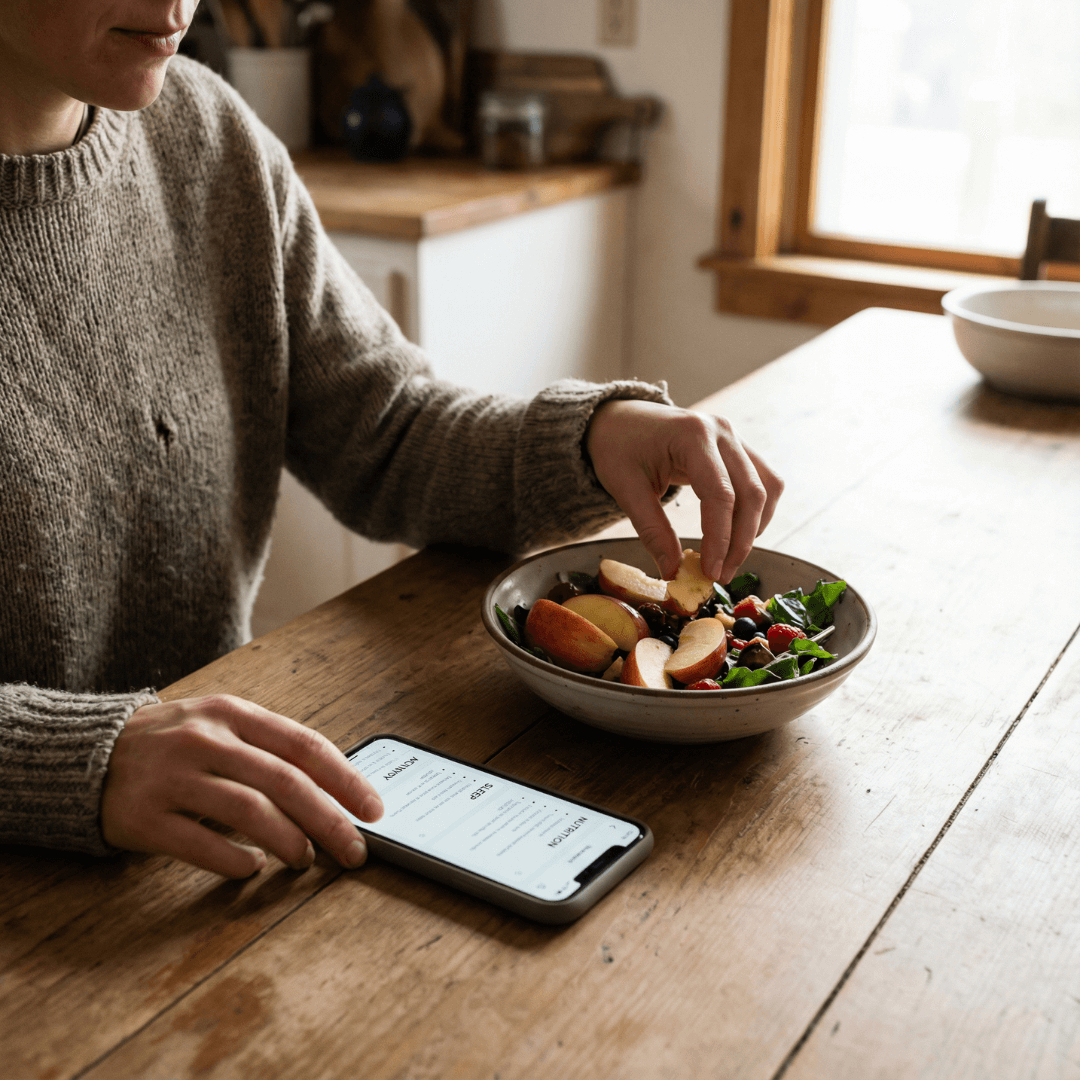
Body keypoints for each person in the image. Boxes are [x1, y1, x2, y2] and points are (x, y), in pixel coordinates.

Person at [0, 1, 783, 879]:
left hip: (222, 838)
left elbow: (387, 429)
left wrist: (592, 437)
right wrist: (74, 759)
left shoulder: (206, 134)